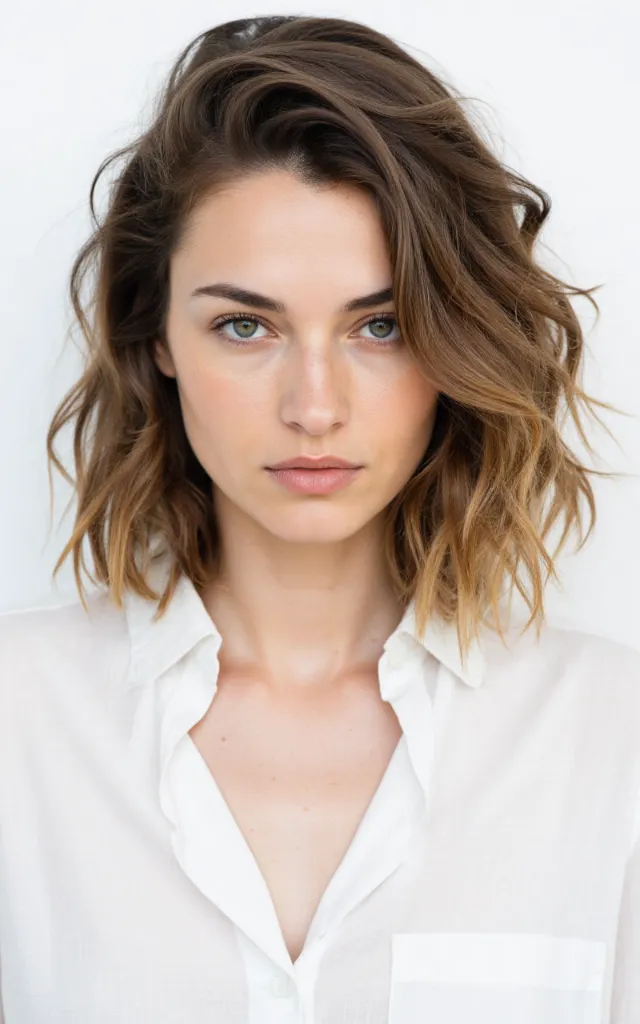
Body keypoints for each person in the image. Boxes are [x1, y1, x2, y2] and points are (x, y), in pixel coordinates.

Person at [0, 13, 638, 1024]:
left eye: (378, 325)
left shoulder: (612, 740)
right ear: (155, 334)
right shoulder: (17, 726)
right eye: (243, 325)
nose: (314, 405)